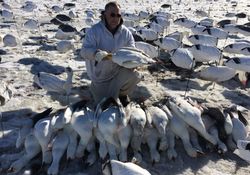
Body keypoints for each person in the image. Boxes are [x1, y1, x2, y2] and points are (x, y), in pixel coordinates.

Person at [80, 1, 141, 106]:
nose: (115, 18)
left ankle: (122, 94)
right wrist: (95, 54)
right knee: (104, 104)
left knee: (136, 75)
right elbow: (84, 51)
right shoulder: (94, 31)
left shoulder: (126, 32)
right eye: (112, 15)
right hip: (100, 77)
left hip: (117, 72)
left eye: (118, 15)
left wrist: (134, 63)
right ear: (104, 15)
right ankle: (100, 91)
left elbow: (132, 51)